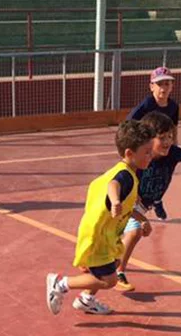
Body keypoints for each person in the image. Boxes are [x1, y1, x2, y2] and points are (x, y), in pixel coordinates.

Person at [45, 120, 154, 315]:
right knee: (108, 280)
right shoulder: (125, 176)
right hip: (98, 237)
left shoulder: (127, 171)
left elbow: (127, 206)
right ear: (130, 153)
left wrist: (142, 219)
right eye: (147, 151)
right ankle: (60, 284)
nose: (151, 155)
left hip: (104, 234)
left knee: (112, 265)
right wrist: (114, 201)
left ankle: (86, 300)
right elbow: (114, 185)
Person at [114, 111, 181, 291]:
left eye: (170, 136)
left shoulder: (173, 153)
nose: (167, 141)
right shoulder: (141, 159)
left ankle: (99, 262)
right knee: (131, 233)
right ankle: (118, 271)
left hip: (143, 205)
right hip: (129, 202)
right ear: (149, 140)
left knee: (121, 235)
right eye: (162, 137)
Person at [127, 66, 180, 219]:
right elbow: (128, 124)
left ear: (172, 87)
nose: (163, 88)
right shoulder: (146, 105)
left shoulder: (173, 106)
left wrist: (173, 145)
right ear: (152, 87)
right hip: (146, 148)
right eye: (160, 84)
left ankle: (157, 200)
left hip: (162, 148)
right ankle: (135, 198)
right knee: (141, 174)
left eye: (167, 84)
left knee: (163, 176)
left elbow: (174, 127)